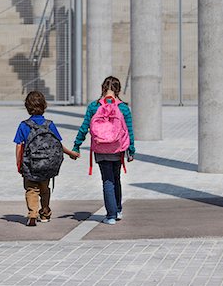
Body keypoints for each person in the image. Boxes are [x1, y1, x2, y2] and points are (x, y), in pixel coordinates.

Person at [72, 76, 135, 225]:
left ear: (102, 88)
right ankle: (118, 210)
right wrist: (131, 150)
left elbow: (84, 127)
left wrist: (76, 145)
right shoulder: (123, 108)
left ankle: (111, 215)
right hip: (117, 149)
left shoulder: (94, 107)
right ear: (118, 90)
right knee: (116, 178)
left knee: (107, 180)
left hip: (100, 149)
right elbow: (130, 131)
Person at [14, 91, 79, 226]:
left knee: (31, 189)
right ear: (44, 106)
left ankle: (32, 214)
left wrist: (19, 163)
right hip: (47, 165)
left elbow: (19, 146)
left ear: (27, 107)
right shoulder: (49, 124)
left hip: (30, 165)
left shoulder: (23, 125)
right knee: (44, 189)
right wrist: (70, 153)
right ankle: (44, 213)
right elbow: (58, 144)